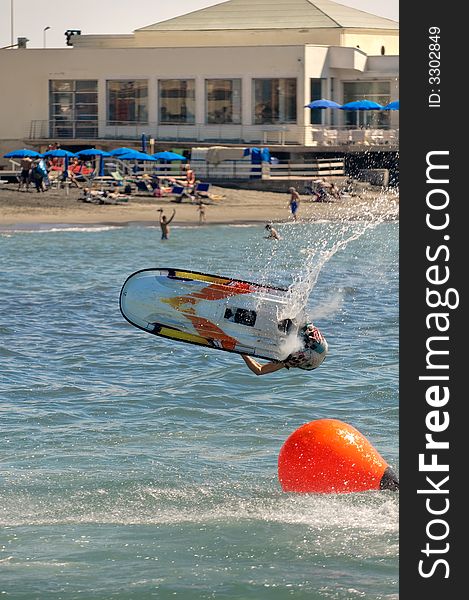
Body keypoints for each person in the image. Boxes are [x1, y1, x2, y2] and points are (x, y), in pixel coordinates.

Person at [241, 322, 328, 375]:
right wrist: (242, 351)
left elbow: (259, 370)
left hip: (321, 346)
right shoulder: (286, 360)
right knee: (280, 347)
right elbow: (259, 370)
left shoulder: (286, 360)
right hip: (312, 356)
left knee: (298, 323)